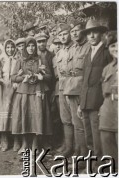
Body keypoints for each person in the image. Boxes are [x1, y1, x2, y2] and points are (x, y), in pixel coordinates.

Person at [77, 19, 112, 171]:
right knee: (88, 133)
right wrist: (80, 103)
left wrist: (105, 103)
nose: (91, 36)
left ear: (101, 33)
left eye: (95, 32)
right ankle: (91, 160)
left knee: (98, 134)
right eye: (89, 33)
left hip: (98, 101)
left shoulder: (106, 53)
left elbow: (109, 79)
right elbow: (84, 80)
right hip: (85, 101)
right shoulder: (87, 55)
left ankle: (100, 164)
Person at [11, 37, 52, 154]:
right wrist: (23, 78)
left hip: (37, 92)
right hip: (23, 93)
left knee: (37, 117)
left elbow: (50, 76)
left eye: (33, 45)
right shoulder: (20, 60)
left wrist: (42, 77)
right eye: (28, 46)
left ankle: (35, 144)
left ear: (35, 46)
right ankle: (25, 144)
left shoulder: (41, 59)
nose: (31, 48)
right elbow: (12, 77)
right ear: (25, 47)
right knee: (24, 117)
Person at [66, 20, 91, 161]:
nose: (74, 33)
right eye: (72, 31)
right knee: (76, 125)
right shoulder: (73, 48)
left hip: (83, 89)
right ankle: (79, 152)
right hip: (71, 89)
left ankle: (87, 156)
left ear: (83, 31)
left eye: (77, 30)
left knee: (84, 124)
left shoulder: (88, 47)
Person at [55, 23, 75, 158]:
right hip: (62, 88)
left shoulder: (76, 49)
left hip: (74, 88)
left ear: (70, 33)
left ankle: (79, 149)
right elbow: (59, 73)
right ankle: (68, 147)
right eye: (60, 35)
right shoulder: (59, 52)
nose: (62, 37)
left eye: (65, 34)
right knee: (65, 119)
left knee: (77, 120)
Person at [99, 31, 118, 172]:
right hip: (107, 115)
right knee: (108, 150)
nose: (116, 48)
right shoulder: (107, 68)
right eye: (112, 45)